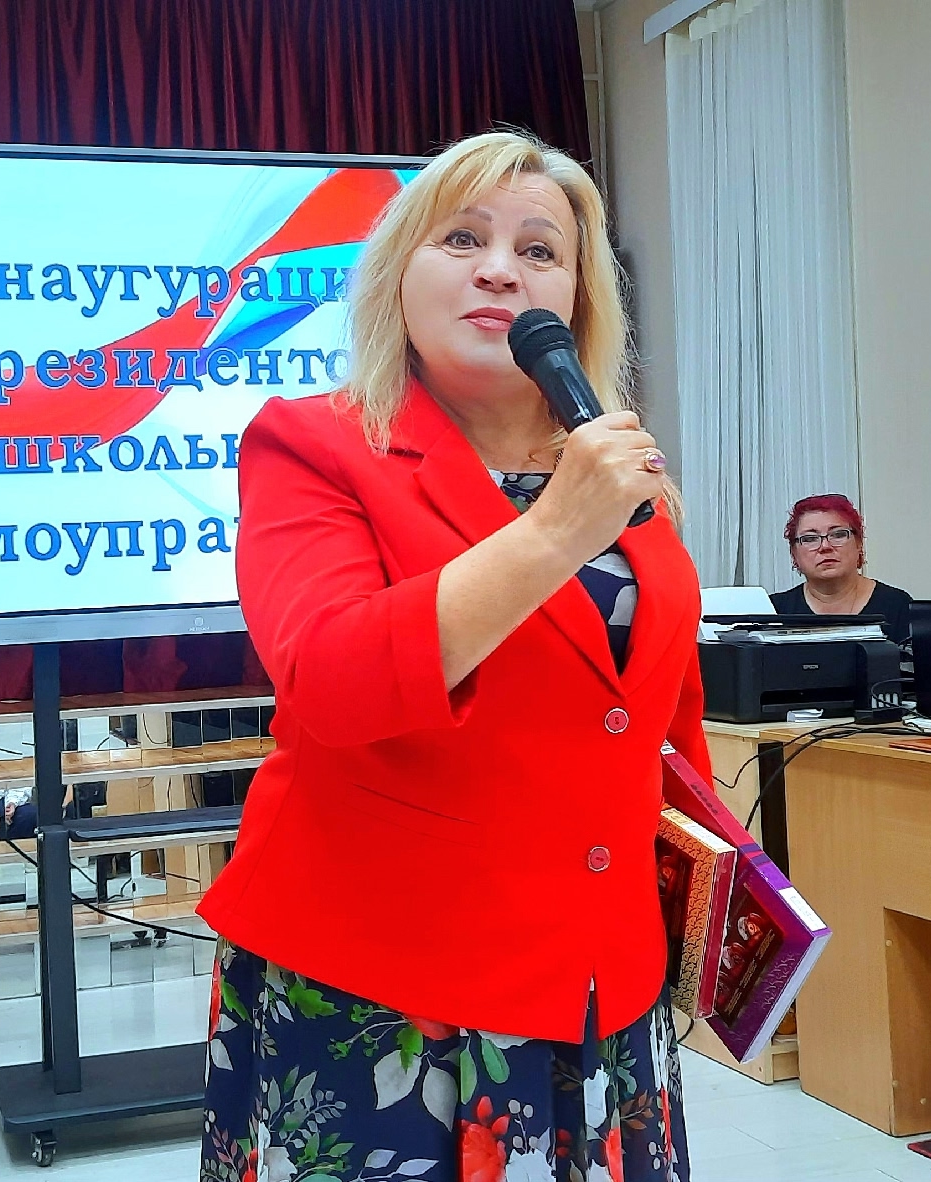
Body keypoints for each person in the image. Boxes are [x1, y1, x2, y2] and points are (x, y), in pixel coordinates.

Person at [196, 131, 707, 1182]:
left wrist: (711, 893)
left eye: (539, 250)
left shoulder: (612, 465)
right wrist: (554, 532)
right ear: (399, 276)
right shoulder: (314, 443)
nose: (500, 270)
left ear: (576, 296)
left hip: (602, 977)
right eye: (463, 239)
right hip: (384, 986)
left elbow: (652, 710)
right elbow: (331, 681)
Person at [767, 493, 914, 641]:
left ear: (859, 544)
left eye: (838, 535)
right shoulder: (773, 611)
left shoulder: (898, 605)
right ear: (794, 553)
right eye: (810, 538)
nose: (825, 546)